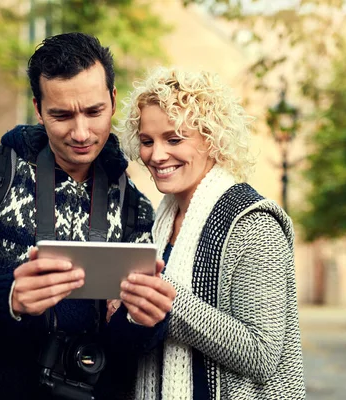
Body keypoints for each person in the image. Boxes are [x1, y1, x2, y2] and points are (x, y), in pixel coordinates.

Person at [0, 32, 175, 400]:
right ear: (38, 109)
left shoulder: (136, 208)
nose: (81, 132)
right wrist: (9, 296)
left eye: (94, 111)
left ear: (114, 101)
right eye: (61, 115)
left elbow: (125, 348)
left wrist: (141, 320)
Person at [116, 67, 306, 399]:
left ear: (212, 138)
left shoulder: (254, 225)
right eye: (147, 141)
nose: (156, 155)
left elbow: (261, 355)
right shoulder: (158, 221)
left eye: (174, 139)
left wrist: (163, 299)